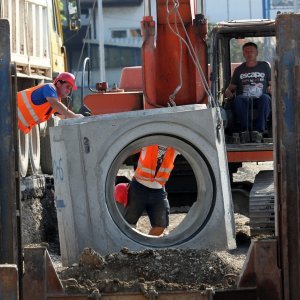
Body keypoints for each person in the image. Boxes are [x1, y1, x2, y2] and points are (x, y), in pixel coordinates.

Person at [124, 144, 178, 236]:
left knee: (160, 225)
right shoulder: (148, 141)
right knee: (128, 223)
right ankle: (129, 245)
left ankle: (144, 247)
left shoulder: (174, 146)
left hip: (158, 190)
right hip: (138, 187)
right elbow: (125, 152)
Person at [224, 42, 272, 142]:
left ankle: (259, 131)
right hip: (245, 99)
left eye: (251, 51)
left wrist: (271, 87)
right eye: (246, 51)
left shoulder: (265, 66)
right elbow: (231, 88)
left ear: (256, 53)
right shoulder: (239, 70)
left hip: (260, 98)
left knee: (266, 98)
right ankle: (247, 130)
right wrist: (228, 91)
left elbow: (273, 83)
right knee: (238, 99)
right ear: (243, 54)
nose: (249, 54)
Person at [18, 72, 84, 134]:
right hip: (11, 113)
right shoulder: (49, 88)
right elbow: (55, 104)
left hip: (16, 124)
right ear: (58, 84)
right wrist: (75, 116)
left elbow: (63, 115)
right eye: (67, 87)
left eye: (70, 89)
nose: (68, 91)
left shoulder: (56, 100)